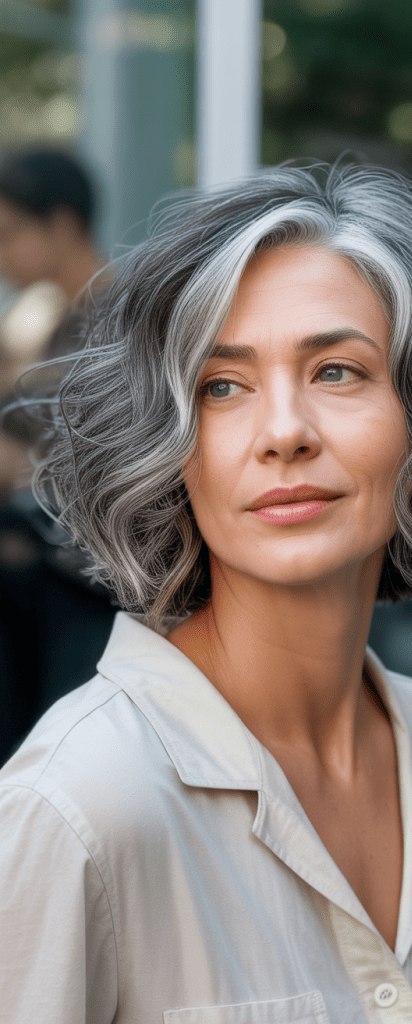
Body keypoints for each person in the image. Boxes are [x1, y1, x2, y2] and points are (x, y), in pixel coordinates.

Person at [0, 160, 412, 1023]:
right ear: (165, 447)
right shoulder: (78, 810)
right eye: (222, 387)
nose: (283, 431)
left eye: (336, 372)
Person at [0, 148, 114, 765]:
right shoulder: (55, 324)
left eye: (9, 234)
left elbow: (114, 468)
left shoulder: (118, 322)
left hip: (90, 591)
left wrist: (21, 468)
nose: (0, 254)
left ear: (63, 225)